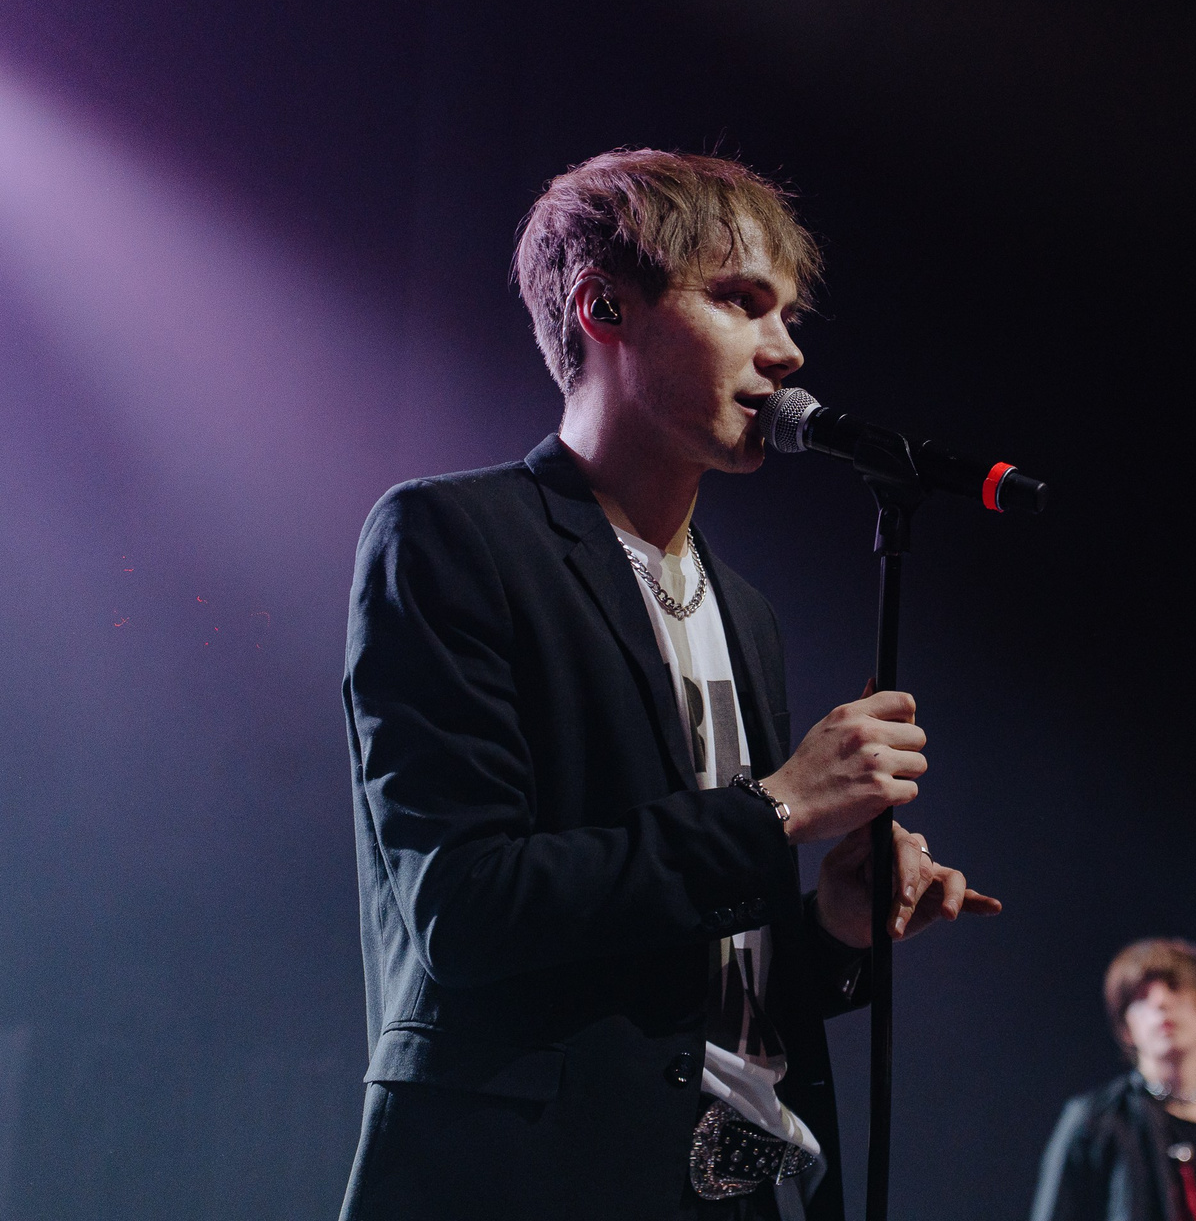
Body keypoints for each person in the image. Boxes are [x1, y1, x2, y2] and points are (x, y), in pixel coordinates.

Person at [338, 149, 999, 1221]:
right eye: (740, 301)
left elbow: (697, 990)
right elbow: (466, 908)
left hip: (732, 1190)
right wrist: (776, 808)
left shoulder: (747, 613)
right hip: (531, 1185)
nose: (786, 350)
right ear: (604, 306)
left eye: (788, 314)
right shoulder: (455, 537)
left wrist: (833, 925)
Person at [1032, 939, 1196, 1221]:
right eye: (1140, 997)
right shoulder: (1093, 1123)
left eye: (1175, 987)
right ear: (1127, 1029)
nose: (1160, 1001)